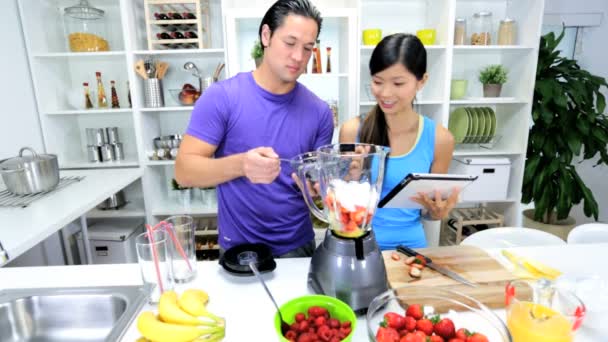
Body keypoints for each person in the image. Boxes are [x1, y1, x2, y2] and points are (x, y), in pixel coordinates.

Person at [175, 0, 334, 258]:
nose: (298, 57)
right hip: (239, 246)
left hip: (298, 246)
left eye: (307, 48)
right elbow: (184, 172)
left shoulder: (320, 112)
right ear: (266, 35)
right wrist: (241, 165)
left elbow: (317, 184)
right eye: (290, 43)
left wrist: (318, 187)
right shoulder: (222, 97)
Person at [339, 33, 458, 250]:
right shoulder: (352, 131)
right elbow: (342, 207)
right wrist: (350, 179)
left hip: (409, 249)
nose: (385, 93)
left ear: (422, 81)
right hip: (356, 246)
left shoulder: (440, 139)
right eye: (377, 82)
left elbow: (428, 211)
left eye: (398, 83)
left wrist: (436, 212)